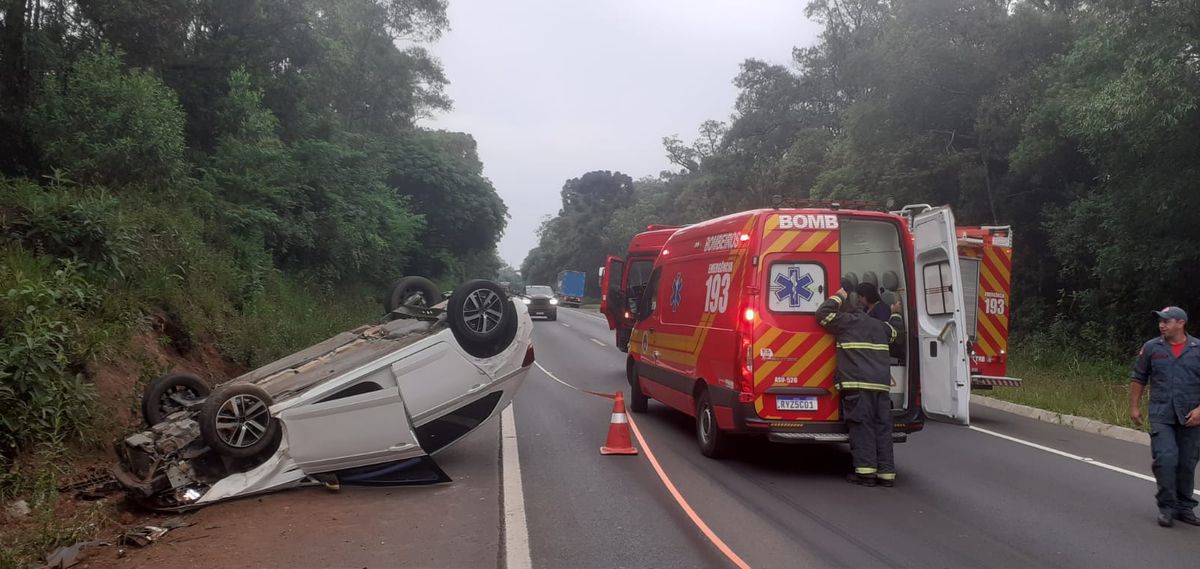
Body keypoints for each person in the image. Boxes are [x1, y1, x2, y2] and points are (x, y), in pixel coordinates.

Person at [817, 283, 904, 487]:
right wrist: (897, 313)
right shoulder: (879, 326)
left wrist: (838, 295)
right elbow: (897, 334)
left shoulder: (846, 322)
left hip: (857, 385)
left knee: (862, 427)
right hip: (881, 387)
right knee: (882, 428)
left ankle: (866, 473)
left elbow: (822, 313)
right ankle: (886, 474)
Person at [1130, 306, 1200, 528]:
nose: (1161, 324)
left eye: (1167, 321)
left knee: (1187, 463)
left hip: (1191, 415)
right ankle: (1167, 507)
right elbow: (1139, 376)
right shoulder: (1152, 348)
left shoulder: (1198, 349)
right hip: (1162, 414)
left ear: (1181, 323)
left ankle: (1184, 507)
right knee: (1166, 459)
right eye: (1160, 321)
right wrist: (1134, 406)